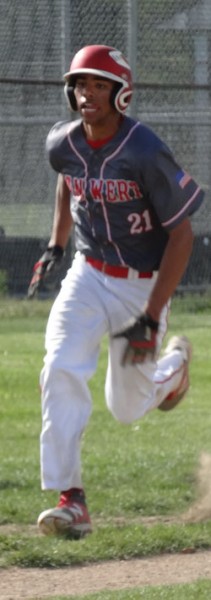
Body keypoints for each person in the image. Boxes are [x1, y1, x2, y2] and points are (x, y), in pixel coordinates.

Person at [28, 44, 204, 539]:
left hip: (141, 284)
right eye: (81, 83)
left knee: (125, 408)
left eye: (100, 85)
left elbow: (182, 233)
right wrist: (56, 245)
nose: (88, 93)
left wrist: (150, 315)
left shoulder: (144, 150)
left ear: (120, 94)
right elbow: (69, 178)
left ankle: (172, 372)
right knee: (59, 366)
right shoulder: (63, 141)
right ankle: (71, 500)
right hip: (87, 272)